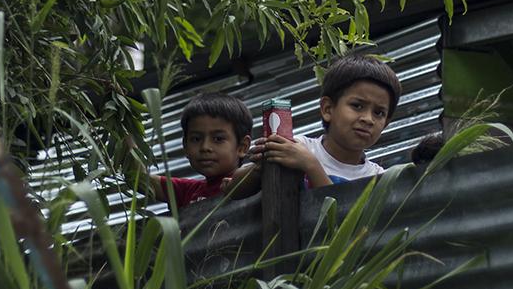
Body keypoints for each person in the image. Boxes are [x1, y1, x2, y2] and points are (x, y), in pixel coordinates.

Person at [249, 54, 400, 189]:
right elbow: (232, 190)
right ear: (328, 109)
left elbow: (338, 218)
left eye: (379, 113)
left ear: (386, 124)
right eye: (357, 106)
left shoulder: (380, 180)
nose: (368, 119)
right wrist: (260, 168)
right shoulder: (299, 148)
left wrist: (312, 166)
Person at [150, 92, 252, 210]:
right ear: (185, 146)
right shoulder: (186, 192)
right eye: (196, 139)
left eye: (218, 139)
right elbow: (141, 179)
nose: (205, 147)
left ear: (242, 147)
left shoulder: (252, 184)